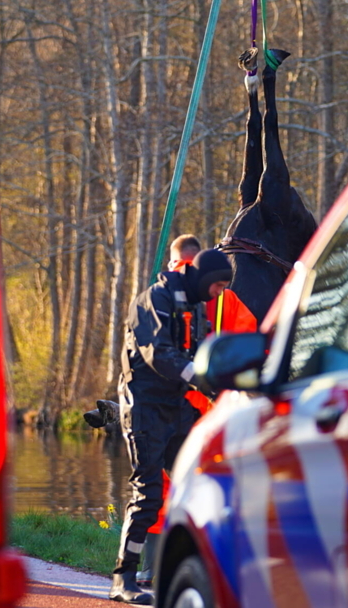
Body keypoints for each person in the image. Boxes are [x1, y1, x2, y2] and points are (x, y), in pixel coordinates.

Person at [109, 248, 234, 605]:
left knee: (199, 482)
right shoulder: (156, 299)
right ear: (206, 279)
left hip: (176, 404)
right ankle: (124, 578)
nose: (220, 293)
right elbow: (158, 353)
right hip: (145, 404)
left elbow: (197, 351)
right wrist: (203, 379)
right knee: (148, 493)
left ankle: (184, 573)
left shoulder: (196, 305)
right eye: (219, 286)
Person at [133, 236, 258, 589]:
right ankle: (170, 567)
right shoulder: (186, 301)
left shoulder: (210, 302)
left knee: (165, 486)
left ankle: (156, 567)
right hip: (200, 407)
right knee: (188, 486)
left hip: (196, 408)